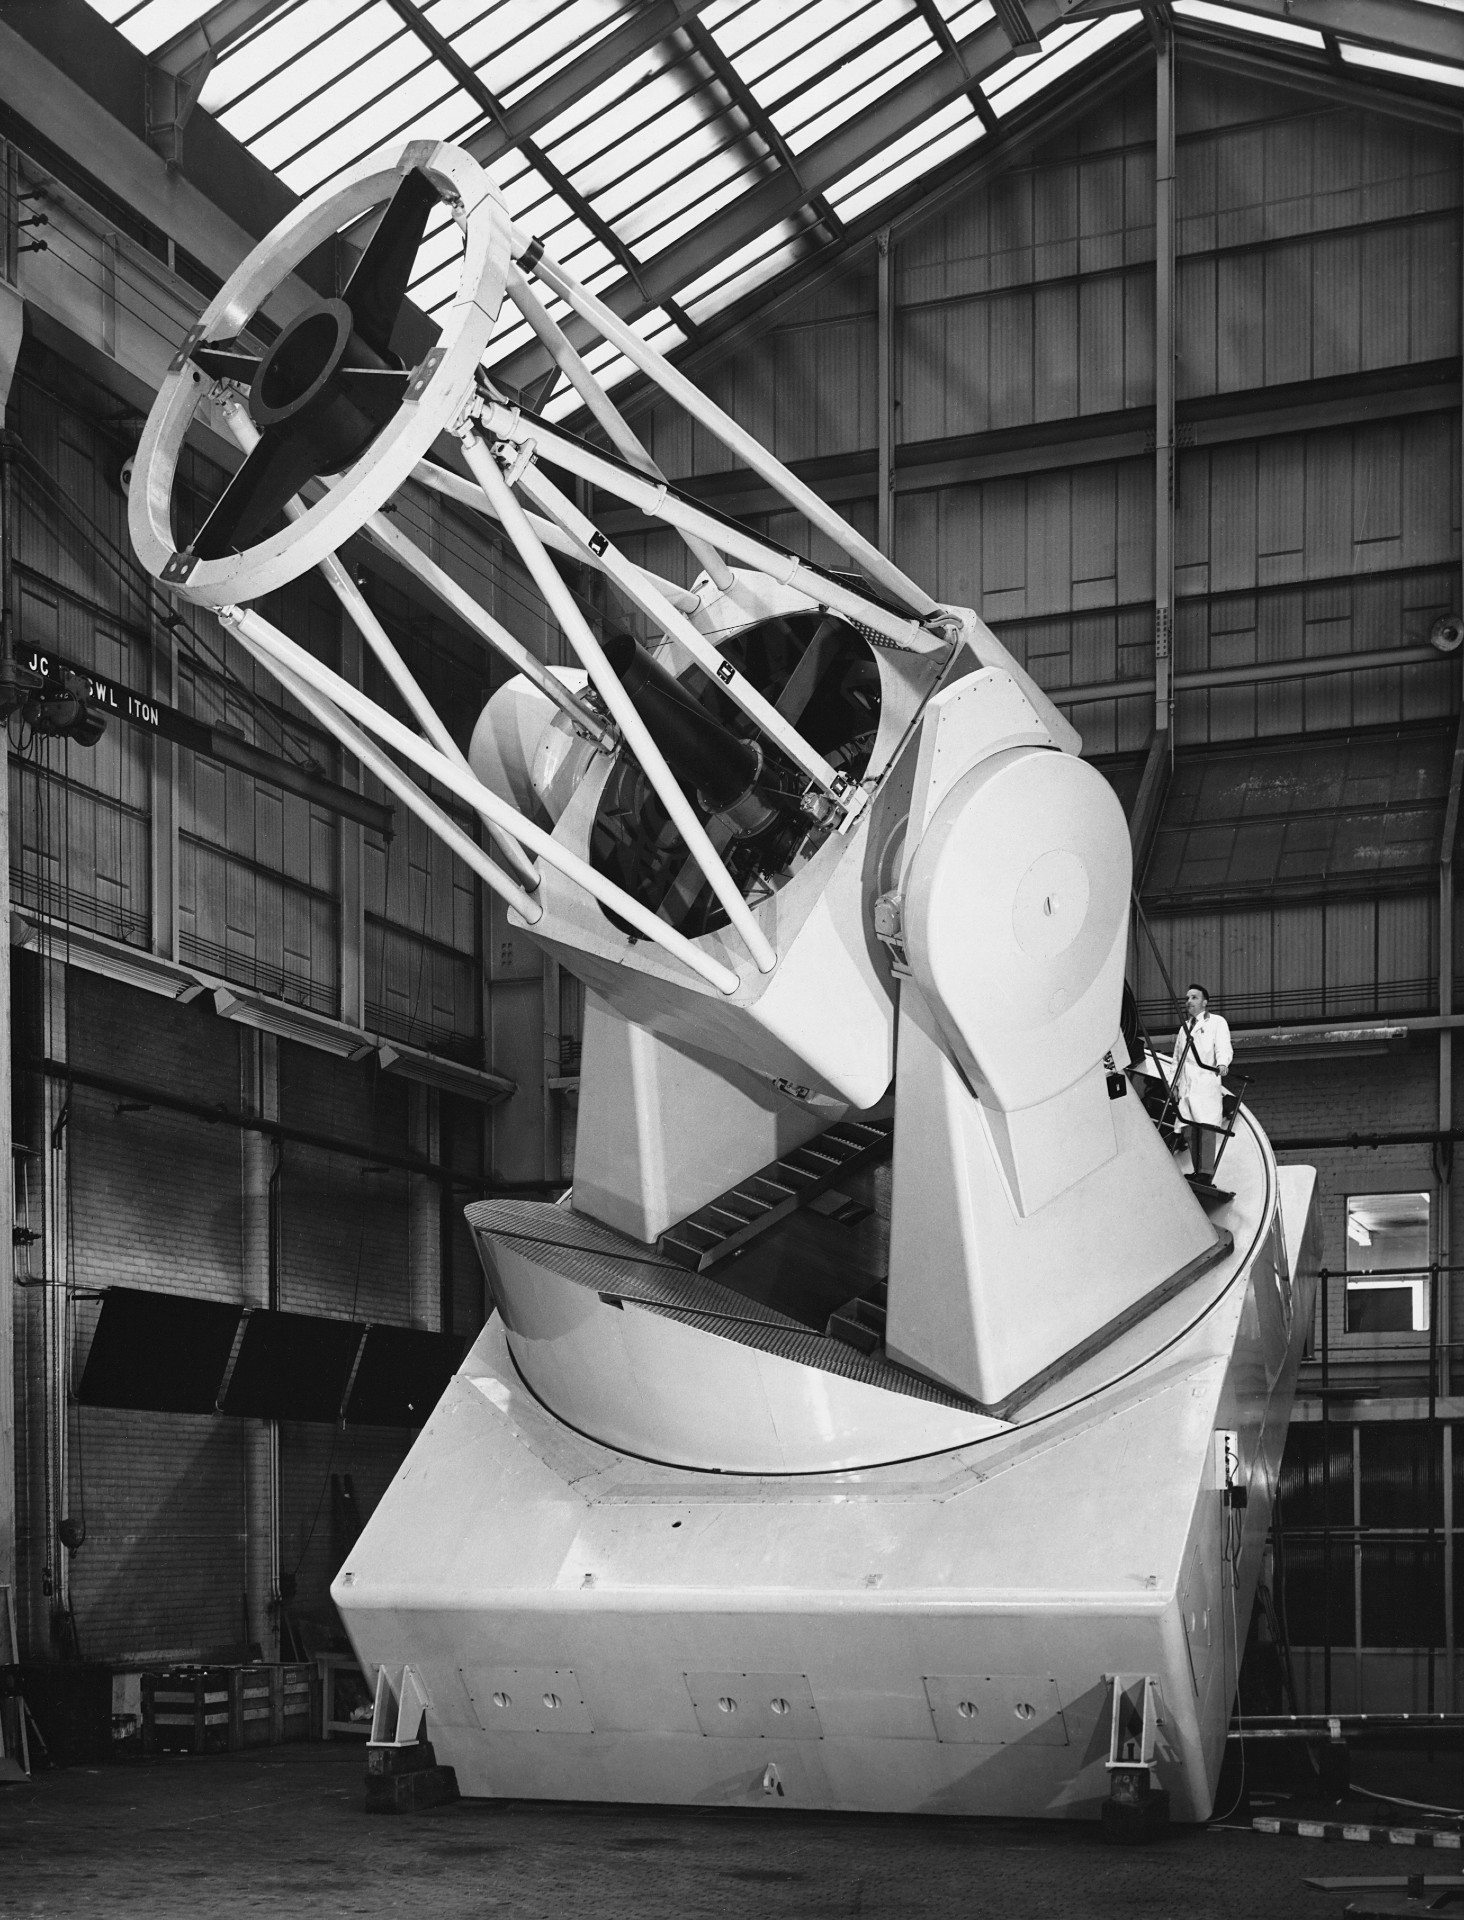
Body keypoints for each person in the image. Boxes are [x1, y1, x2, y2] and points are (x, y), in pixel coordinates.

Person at [1174, 982, 1232, 1181]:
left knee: (1206, 1129)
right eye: (1187, 998)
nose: (1189, 1001)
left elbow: (1223, 1046)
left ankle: (1206, 1173)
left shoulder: (1216, 1022)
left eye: (1194, 997)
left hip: (1205, 1082)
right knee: (1189, 1130)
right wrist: (1174, 1083)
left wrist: (1223, 1063)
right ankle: (1197, 1170)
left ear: (1205, 1002)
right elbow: (1176, 1058)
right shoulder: (1183, 1029)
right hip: (1188, 1086)